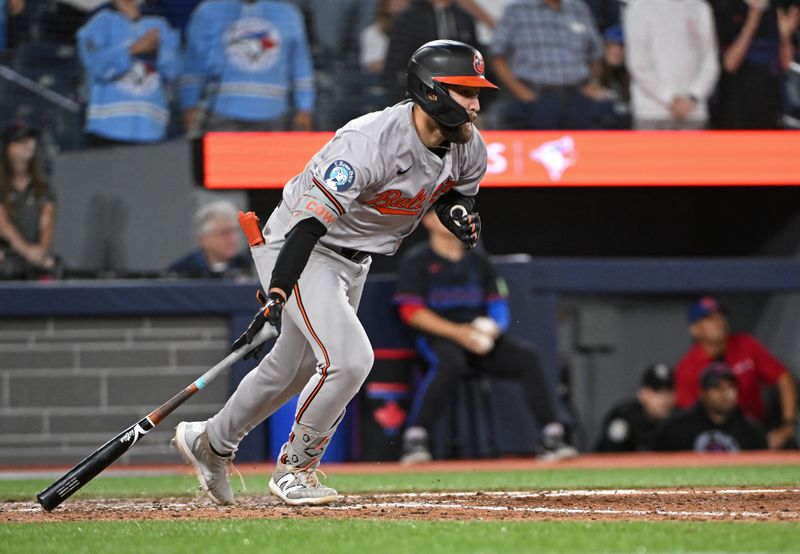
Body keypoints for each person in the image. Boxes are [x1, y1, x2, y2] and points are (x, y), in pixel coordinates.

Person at [173, 39, 497, 506]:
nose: (475, 104)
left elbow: (452, 192)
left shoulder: (468, 146)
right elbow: (307, 225)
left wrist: (456, 213)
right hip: (303, 246)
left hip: (356, 258)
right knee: (350, 360)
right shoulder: (368, 143)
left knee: (292, 368)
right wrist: (279, 288)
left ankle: (211, 442)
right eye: (465, 92)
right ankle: (295, 469)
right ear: (432, 92)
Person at [394, 210, 577, 463]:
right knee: (450, 362)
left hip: (479, 339)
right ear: (428, 221)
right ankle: (415, 439)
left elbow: (498, 304)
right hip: (440, 338)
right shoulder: (417, 260)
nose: (452, 221)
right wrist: (460, 334)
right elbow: (412, 312)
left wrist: (491, 329)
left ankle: (551, 436)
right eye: (443, 215)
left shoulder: (478, 260)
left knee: (526, 357)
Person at [674, 296, 797, 449]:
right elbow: (687, 416)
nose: (718, 322)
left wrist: (787, 425)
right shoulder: (687, 367)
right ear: (695, 329)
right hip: (711, 435)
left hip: (754, 429)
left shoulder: (747, 345)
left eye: (720, 315)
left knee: (788, 447)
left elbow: (783, 377)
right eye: (710, 319)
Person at [180, 0, 315, 134]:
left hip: (274, 115)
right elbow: (193, 63)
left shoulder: (289, 15)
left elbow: (300, 65)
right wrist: (189, 104)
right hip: (221, 114)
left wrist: (304, 108)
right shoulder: (208, 12)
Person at [490, 0, 616, 130]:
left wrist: (594, 83)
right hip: (536, 95)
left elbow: (596, 54)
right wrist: (523, 93)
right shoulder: (516, 9)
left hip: (578, 93)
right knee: (504, 115)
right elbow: (498, 56)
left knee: (611, 112)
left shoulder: (578, 8)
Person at [76, 0, 180, 146]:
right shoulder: (99, 21)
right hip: (107, 131)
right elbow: (96, 65)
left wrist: (159, 50)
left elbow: (173, 71)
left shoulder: (160, 23)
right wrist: (134, 49)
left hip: (152, 130)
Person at [624, 0, 720, 130]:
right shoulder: (639, 7)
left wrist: (693, 96)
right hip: (652, 111)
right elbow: (638, 64)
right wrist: (669, 98)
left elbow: (710, 61)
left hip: (693, 111)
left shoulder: (700, 7)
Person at [709, 0, 800, 129]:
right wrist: (750, 26)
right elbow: (730, 65)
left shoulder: (780, 8)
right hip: (734, 113)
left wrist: (784, 37)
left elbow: (786, 66)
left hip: (771, 111)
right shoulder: (726, 6)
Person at [382, 0, 479, 104]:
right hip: (418, 98)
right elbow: (393, 67)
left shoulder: (464, 17)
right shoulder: (408, 18)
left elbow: (474, 63)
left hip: (460, 96)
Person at [658, 362, 767, 452]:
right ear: (702, 393)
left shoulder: (752, 431)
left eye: (730, 387)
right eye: (716, 387)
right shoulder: (677, 428)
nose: (725, 393)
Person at [0, 120, 57, 280]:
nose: (28, 145)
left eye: (30, 139)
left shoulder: (42, 186)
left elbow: (47, 221)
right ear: (8, 148)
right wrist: (26, 251)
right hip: (8, 252)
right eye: (20, 141)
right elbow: (4, 226)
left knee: (53, 266)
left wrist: (42, 251)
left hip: (34, 253)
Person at [595, 363, 675, 452]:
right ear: (642, 393)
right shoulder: (625, 418)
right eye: (657, 392)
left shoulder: (676, 421)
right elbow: (609, 457)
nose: (664, 399)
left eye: (668, 392)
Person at [166, 201, 252, 278]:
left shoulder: (249, 267)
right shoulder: (180, 272)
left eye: (235, 231)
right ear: (204, 238)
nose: (233, 238)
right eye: (224, 233)